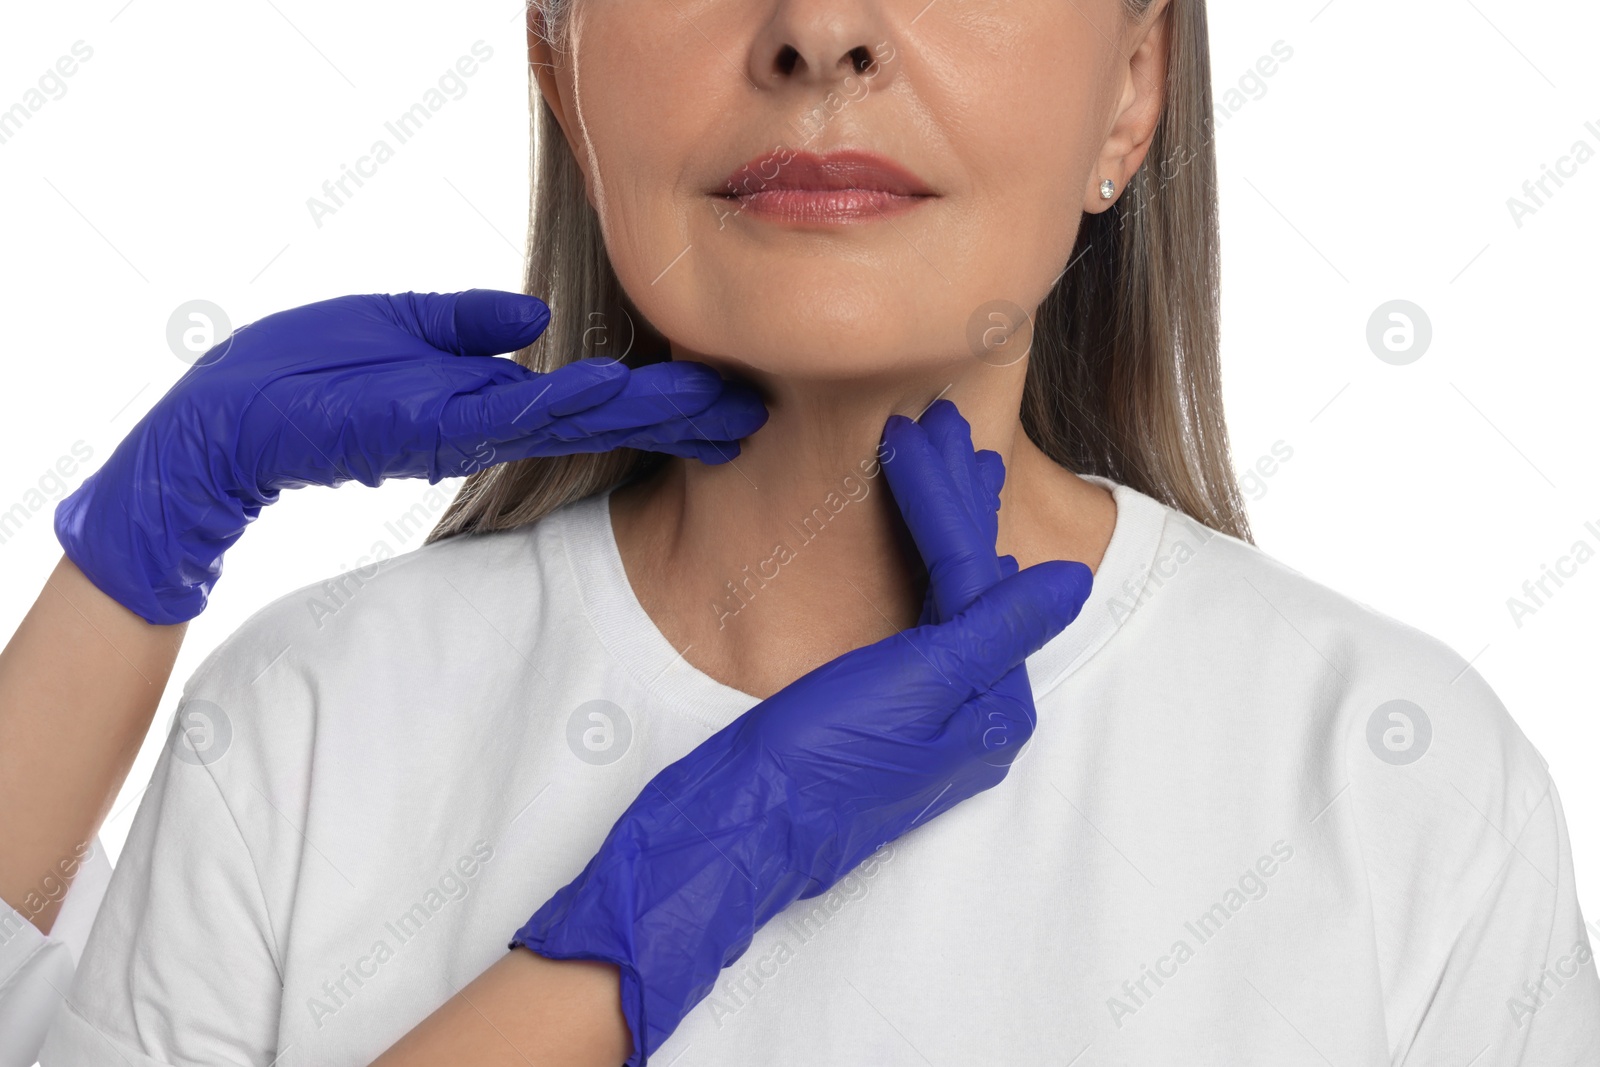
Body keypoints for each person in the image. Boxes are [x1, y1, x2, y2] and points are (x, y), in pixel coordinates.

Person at [8, 0, 1598, 1064]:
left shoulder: (1397, 785)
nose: (820, 29)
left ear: (1134, 88)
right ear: (561, 71)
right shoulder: (308, 732)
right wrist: (642, 932)